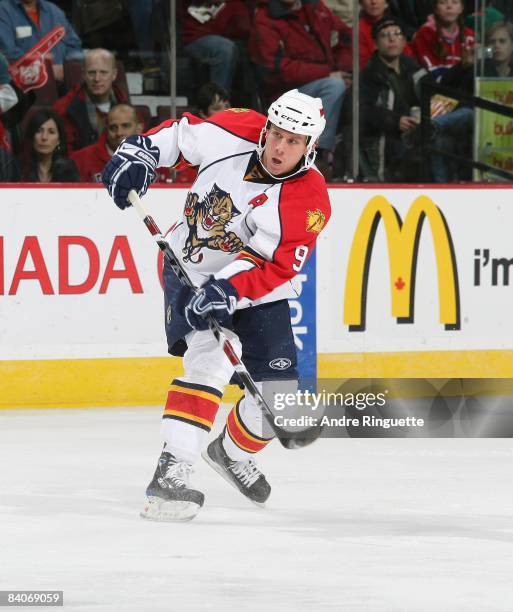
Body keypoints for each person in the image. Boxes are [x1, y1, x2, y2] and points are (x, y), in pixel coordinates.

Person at [102, 89, 331, 521]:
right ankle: (171, 473)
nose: (279, 147)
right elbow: (178, 137)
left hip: (252, 282)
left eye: (293, 141)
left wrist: (229, 289)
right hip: (186, 265)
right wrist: (141, 154)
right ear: (266, 127)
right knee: (210, 362)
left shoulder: (309, 200)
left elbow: (273, 263)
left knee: (279, 395)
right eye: (276, 134)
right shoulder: (237, 128)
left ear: (310, 147)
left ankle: (229, 452)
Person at [249, 0, 351, 174]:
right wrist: (327, 72)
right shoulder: (266, 19)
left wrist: (341, 68)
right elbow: (275, 69)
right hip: (285, 93)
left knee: (353, 88)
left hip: (322, 78)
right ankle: (317, 153)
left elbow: (345, 37)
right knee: (334, 86)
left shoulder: (315, 7)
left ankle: (346, 156)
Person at [53, 48, 129, 151]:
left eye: (103, 73)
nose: (97, 79)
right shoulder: (64, 108)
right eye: (92, 73)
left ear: (114, 74)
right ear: (83, 74)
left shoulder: (124, 103)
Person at [0, 0, 83, 83]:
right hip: (25, 85)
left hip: (64, 82)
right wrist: (46, 70)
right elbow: (9, 53)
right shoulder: (3, 10)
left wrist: (67, 68)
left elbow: (74, 45)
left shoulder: (54, 10)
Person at [71, 103, 142, 182]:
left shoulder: (156, 159)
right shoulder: (81, 159)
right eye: (113, 128)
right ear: (106, 130)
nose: (119, 133)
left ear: (139, 129)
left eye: (125, 126)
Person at [411, 0, 475, 79]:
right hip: (437, 87)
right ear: (436, 9)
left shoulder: (469, 35)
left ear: (461, 8)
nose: (449, 6)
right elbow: (432, 74)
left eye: (454, 2)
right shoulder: (424, 34)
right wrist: (463, 65)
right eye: (443, 2)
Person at [20, 108, 79, 181]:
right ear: (32, 136)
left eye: (51, 132)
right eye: (39, 131)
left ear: (58, 140)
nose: (44, 137)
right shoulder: (19, 169)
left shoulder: (68, 170)